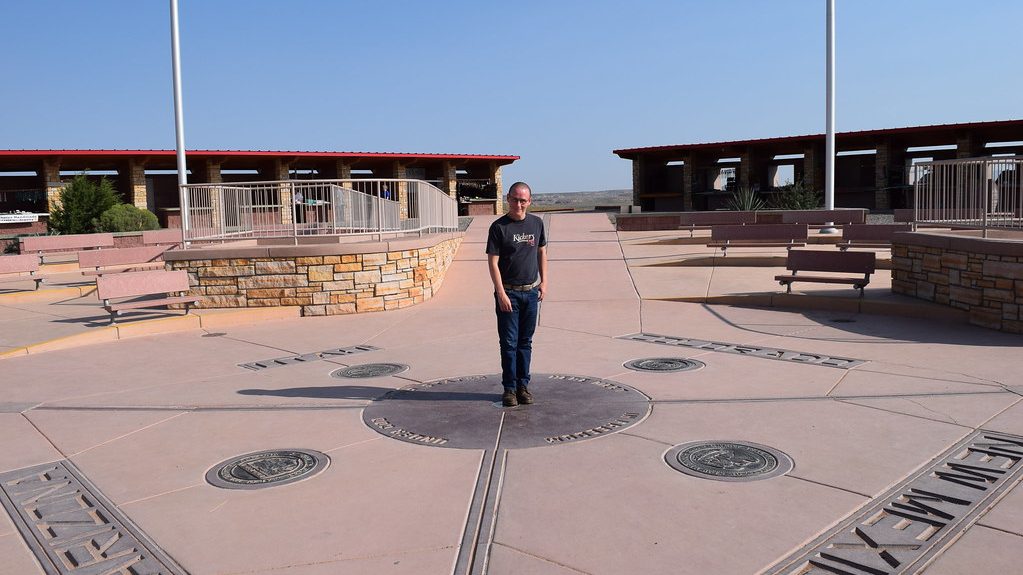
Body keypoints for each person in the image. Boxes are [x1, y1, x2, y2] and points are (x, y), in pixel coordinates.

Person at [486, 182, 548, 407]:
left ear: (529, 201)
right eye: (515, 199)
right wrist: (501, 293)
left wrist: (545, 282)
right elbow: (493, 263)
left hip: (531, 293)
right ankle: (509, 389)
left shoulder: (537, 224)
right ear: (508, 199)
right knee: (509, 343)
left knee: (525, 342)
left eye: (523, 200)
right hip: (509, 294)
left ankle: (523, 386)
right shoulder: (498, 227)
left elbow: (541, 252)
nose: (519, 204)